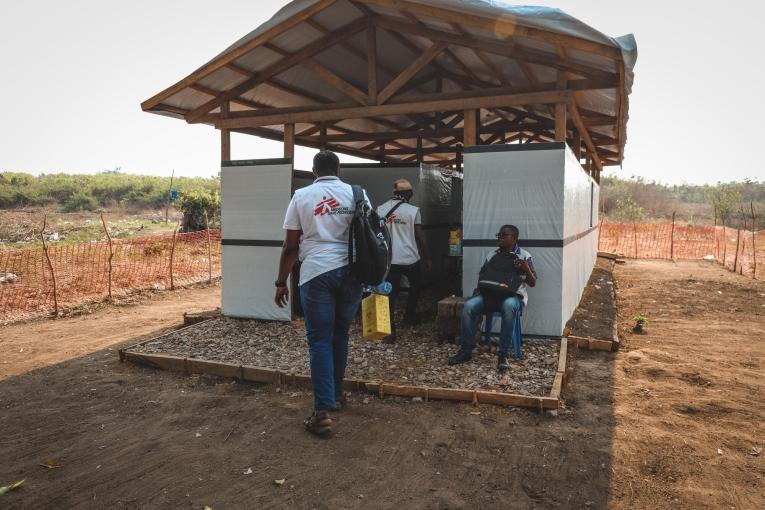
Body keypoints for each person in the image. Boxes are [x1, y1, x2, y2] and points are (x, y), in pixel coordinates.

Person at [274, 150, 370, 438]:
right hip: (352, 273)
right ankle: (337, 395)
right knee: (339, 336)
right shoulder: (357, 193)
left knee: (319, 341)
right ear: (338, 170)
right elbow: (370, 232)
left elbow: (291, 246)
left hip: (316, 274)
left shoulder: (302, 196)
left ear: (314, 171)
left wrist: (280, 282)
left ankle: (322, 412)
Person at [447, 224, 537, 371]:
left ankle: (503, 355)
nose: (500, 238)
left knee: (508, 306)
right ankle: (465, 351)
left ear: (514, 238)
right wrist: (478, 289)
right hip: (489, 296)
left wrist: (525, 268)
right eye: (499, 235)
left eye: (504, 235)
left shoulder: (524, 256)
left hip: (513, 297)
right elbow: (483, 276)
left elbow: (533, 282)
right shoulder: (492, 255)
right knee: (469, 306)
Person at [376, 179, 431, 342]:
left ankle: (390, 331)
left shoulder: (381, 209)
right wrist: (428, 257)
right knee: (416, 286)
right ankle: (409, 316)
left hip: (389, 259)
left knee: (390, 294)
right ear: (408, 193)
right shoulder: (413, 211)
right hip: (410, 258)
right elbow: (420, 236)